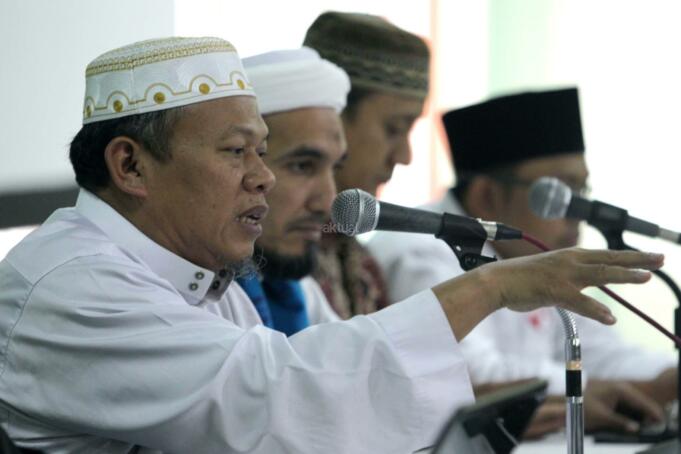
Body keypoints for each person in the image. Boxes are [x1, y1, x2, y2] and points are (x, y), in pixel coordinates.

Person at [0, 38, 662, 453]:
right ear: (131, 166)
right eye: (237, 153)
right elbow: (278, 401)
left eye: (263, 152)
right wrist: (488, 285)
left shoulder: (201, 278)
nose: (259, 175)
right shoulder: (75, 281)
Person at [369, 87, 677, 437]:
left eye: (581, 192)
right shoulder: (420, 248)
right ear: (488, 196)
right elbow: (468, 373)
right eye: (558, 194)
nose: (577, 214)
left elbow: (602, 351)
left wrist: (671, 374)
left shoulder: (529, 254)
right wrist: (589, 390)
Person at [303, 11, 429, 318]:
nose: (404, 156)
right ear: (334, 116)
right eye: (394, 129)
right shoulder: (270, 257)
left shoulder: (360, 263)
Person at [236, 48, 347, 335]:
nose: (326, 203)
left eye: (334, 168)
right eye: (302, 167)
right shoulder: (192, 293)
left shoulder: (299, 291)